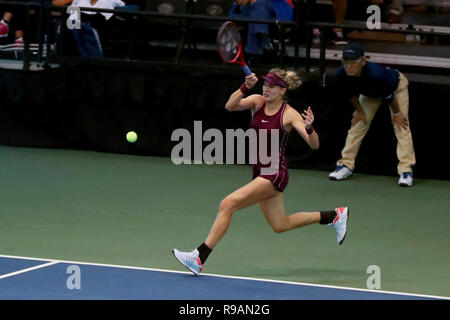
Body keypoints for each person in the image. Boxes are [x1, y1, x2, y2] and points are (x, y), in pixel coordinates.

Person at [172, 68, 349, 276]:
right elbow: (230, 106)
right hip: (260, 173)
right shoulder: (257, 101)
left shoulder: (289, 114)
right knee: (280, 224)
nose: (266, 89)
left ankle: (199, 257)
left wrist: (309, 128)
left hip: (274, 173)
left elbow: (314, 144)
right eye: (265, 84)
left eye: (271, 86)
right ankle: (333, 216)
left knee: (227, 204)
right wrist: (245, 87)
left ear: (282, 90)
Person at [328, 43, 416, 187]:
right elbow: (349, 94)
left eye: (353, 62)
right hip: (369, 94)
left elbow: (389, 96)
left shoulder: (377, 75)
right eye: (346, 62)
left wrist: (398, 113)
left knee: (401, 126)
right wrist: (360, 112)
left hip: (396, 89)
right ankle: (345, 165)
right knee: (358, 125)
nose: (349, 66)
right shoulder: (341, 74)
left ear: (363, 61)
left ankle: (406, 171)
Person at [229, 0, 294, 64]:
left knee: (259, 4)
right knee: (255, 12)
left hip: (275, 11)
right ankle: (264, 41)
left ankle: (253, 52)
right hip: (251, 12)